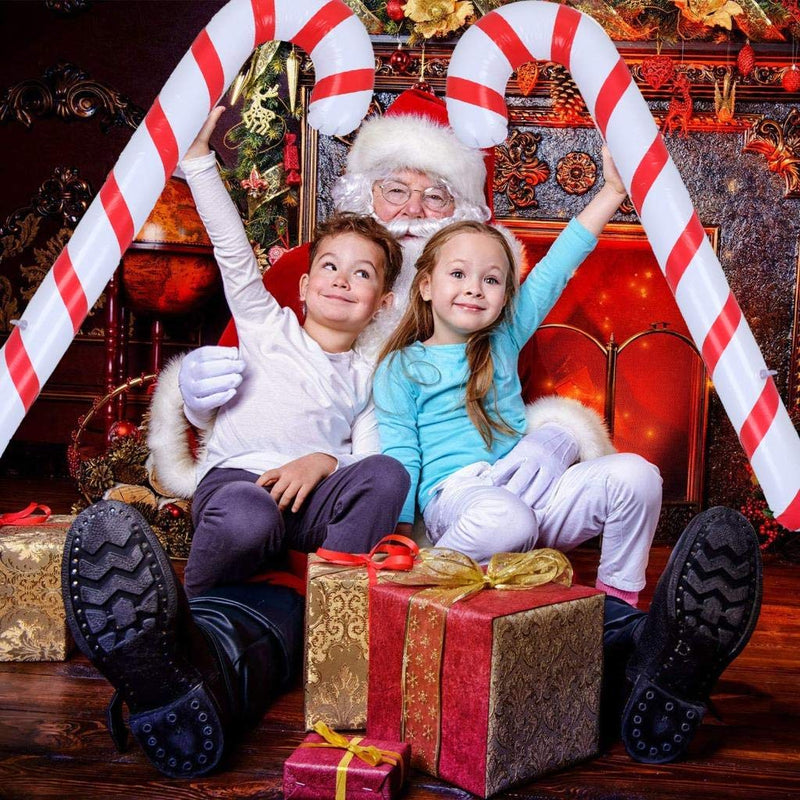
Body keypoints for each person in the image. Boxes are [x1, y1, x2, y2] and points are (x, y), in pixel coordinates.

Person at [63, 89, 761, 779]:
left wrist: (559, 437)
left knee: (522, 588)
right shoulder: (303, 284)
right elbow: (241, 310)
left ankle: (653, 661)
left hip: (406, 541)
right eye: (396, 190)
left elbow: (531, 376)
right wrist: (187, 391)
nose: (412, 211)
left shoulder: (491, 304)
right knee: (260, 617)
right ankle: (183, 676)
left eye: (435, 199)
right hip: (326, 541)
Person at [372, 157, 658, 608]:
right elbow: (401, 454)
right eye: (459, 274)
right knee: (508, 520)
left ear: (506, 295)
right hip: (463, 500)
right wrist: (401, 533)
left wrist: (612, 194)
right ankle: (429, 577)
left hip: (531, 486)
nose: (474, 288)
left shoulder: (503, 337)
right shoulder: (403, 365)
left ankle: (618, 607)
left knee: (638, 476)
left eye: (491, 280)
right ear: (425, 285)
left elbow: (554, 270)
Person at [174, 106, 409, 599]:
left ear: (381, 304)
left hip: (311, 501)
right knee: (248, 514)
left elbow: (368, 459)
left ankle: (333, 614)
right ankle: (192, 613)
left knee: (388, 474)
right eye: (330, 267)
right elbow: (232, 249)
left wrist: (322, 461)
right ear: (303, 286)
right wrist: (197, 161)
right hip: (239, 485)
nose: (342, 280)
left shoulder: (368, 374)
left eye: (362, 274)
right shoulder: (265, 324)